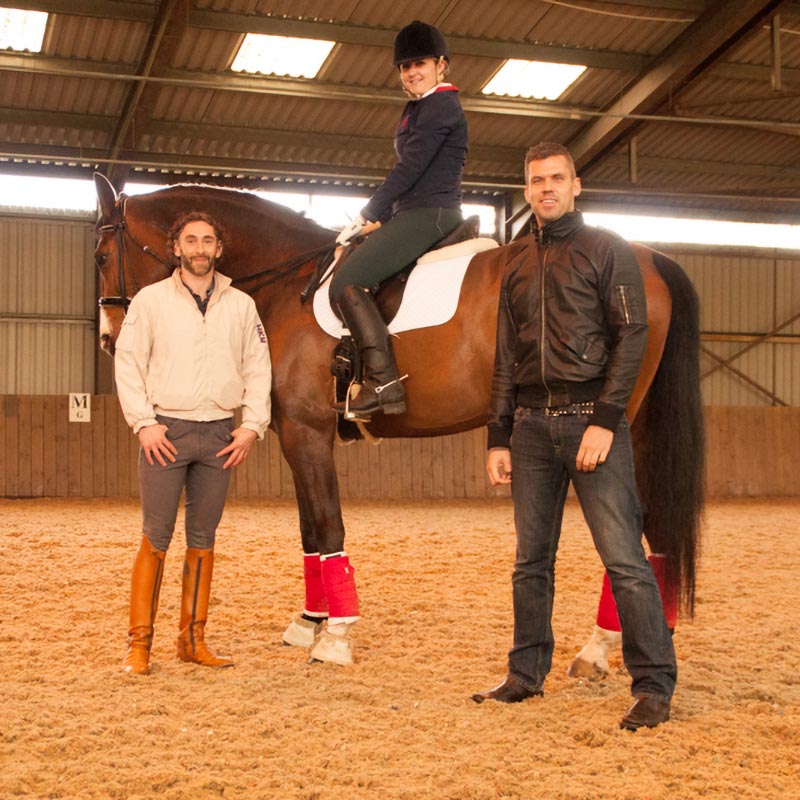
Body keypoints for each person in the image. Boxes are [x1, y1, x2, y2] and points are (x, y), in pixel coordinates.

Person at [472, 142, 677, 731]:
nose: (546, 189)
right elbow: (507, 355)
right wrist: (498, 434)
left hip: (590, 422)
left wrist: (605, 422)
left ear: (576, 184)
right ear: (528, 188)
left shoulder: (606, 249)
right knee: (530, 561)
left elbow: (631, 336)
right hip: (531, 428)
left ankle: (654, 685)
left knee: (624, 560)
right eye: (536, 180)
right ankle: (524, 675)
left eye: (556, 178)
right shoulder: (513, 261)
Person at [115, 211, 272, 676]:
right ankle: (139, 645)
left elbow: (258, 366)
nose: (200, 248)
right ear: (176, 248)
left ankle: (192, 640)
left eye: (208, 241)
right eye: (191, 240)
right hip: (166, 433)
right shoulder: (150, 301)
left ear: (219, 250)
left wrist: (252, 425)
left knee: (203, 541)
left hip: (220, 436)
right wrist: (144, 423)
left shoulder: (241, 305)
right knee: (155, 538)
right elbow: (128, 363)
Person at [330, 19, 468, 419]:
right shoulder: (419, 108)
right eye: (404, 66)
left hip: (431, 213)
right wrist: (382, 220)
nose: (411, 72)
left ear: (441, 64)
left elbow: (410, 170)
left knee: (347, 279)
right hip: (412, 211)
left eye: (419, 63)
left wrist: (367, 213)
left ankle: (384, 380)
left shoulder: (441, 105)